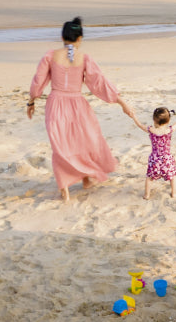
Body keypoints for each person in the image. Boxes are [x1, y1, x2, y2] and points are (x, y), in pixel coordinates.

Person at [28, 17, 133, 201]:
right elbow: (98, 82)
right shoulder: (84, 58)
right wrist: (120, 101)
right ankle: (85, 178)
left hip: (56, 103)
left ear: (62, 36)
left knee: (61, 145)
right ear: (79, 39)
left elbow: (38, 81)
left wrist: (31, 100)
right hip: (77, 104)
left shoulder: (50, 55)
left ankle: (66, 188)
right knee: (84, 141)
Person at [127, 105, 176, 199]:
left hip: (155, 160)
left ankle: (147, 195)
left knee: (149, 177)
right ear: (168, 120)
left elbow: (139, 125)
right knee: (172, 177)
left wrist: (134, 116)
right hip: (167, 160)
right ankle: (174, 193)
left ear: (154, 120)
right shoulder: (169, 130)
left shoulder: (151, 130)